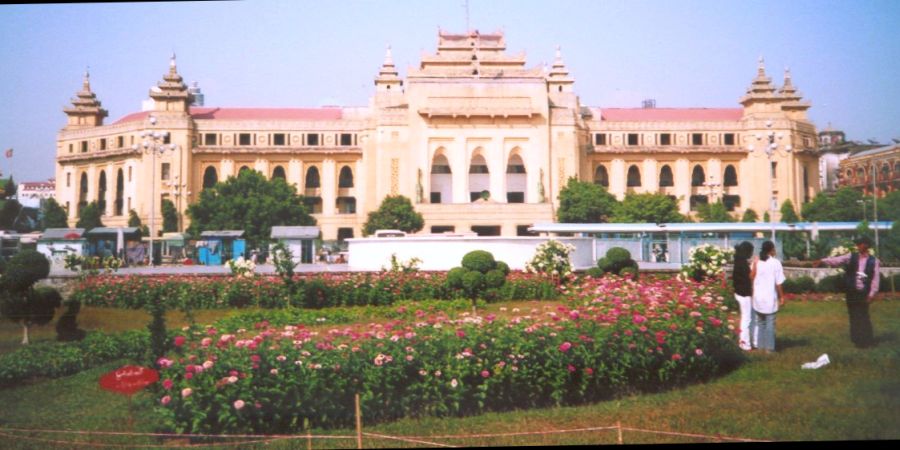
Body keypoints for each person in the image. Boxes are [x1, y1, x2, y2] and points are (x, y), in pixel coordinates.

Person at [814, 236, 880, 348]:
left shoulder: (874, 261)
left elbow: (875, 278)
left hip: (863, 292)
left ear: (867, 245)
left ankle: (867, 340)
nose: (858, 246)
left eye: (861, 244)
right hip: (851, 291)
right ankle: (856, 339)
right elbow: (837, 260)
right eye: (858, 244)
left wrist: (872, 294)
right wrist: (822, 261)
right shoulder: (852, 256)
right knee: (853, 315)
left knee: (863, 316)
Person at [751, 240, 785, 354]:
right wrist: (782, 297)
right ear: (771, 250)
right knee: (770, 324)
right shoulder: (776, 263)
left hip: (757, 298)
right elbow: (778, 282)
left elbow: (750, 277)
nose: (775, 251)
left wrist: (755, 264)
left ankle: (761, 347)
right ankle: (769, 349)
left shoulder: (756, 262)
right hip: (769, 298)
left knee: (760, 323)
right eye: (774, 249)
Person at [732, 241, 755, 351]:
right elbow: (750, 277)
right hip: (744, 294)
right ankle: (744, 343)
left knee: (745, 318)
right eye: (751, 252)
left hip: (739, 292)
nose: (751, 254)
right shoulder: (742, 263)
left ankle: (745, 342)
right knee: (747, 319)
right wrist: (755, 265)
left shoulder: (738, 260)